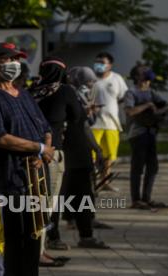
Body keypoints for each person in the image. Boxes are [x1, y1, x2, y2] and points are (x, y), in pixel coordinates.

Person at [0, 42, 54, 276]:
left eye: (16, 59)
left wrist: (44, 151)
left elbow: (45, 127)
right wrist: (38, 147)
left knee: (30, 237)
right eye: (7, 59)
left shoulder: (24, 95)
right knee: (3, 240)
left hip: (30, 182)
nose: (13, 64)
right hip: (2, 182)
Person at [31, 57, 81, 262]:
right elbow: (77, 116)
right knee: (47, 203)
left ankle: (33, 248)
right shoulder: (65, 90)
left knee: (32, 202)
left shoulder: (31, 91)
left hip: (29, 152)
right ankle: (39, 252)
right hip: (52, 153)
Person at [63, 66, 110, 249]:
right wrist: (97, 149)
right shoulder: (71, 96)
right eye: (88, 82)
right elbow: (83, 127)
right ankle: (81, 231)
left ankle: (80, 227)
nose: (90, 85)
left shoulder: (75, 96)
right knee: (79, 193)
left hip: (76, 153)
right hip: (74, 154)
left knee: (76, 193)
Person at [125, 64, 167, 209]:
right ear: (137, 76)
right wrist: (147, 105)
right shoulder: (131, 92)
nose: (147, 74)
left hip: (151, 133)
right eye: (143, 72)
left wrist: (159, 110)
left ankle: (146, 198)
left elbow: (162, 106)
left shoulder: (151, 92)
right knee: (137, 167)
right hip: (138, 134)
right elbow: (130, 112)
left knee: (153, 167)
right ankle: (136, 200)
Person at [92, 52, 128, 191]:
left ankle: (105, 182)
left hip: (111, 124)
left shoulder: (117, 78)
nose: (99, 64)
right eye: (97, 61)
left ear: (109, 65)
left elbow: (123, 96)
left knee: (109, 156)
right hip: (94, 124)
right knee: (92, 156)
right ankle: (92, 181)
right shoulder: (91, 79)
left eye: (102, 62)